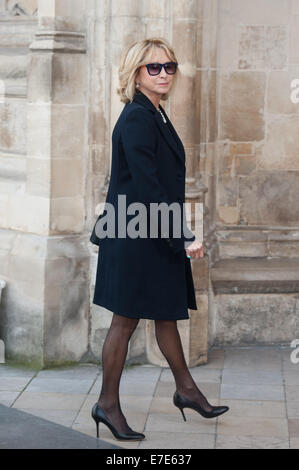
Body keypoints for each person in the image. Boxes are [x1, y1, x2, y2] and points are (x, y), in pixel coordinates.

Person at [90, 38, 229, 442]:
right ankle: (108, 405)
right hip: (136, 234)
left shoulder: (156, 114)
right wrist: (184, 235)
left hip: (151, 230)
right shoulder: (136, 117)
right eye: (154, 67)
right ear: (136, 73)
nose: (165, 73)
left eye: (170, 66)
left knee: (165, 311)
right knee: (125, 320)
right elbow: (149, 185)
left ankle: (186, 390)